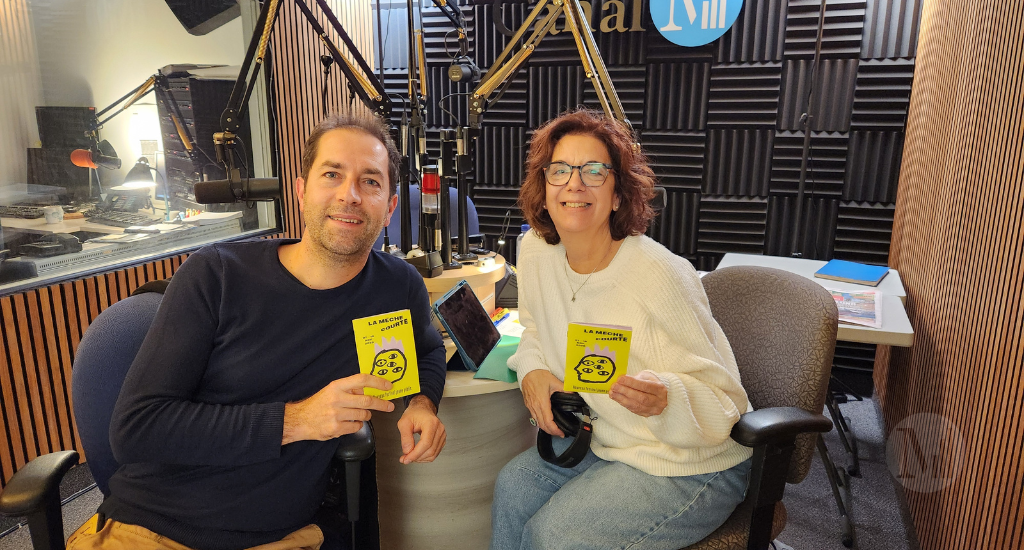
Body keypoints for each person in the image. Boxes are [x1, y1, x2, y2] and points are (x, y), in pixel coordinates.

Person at [66, 112, 449, 550]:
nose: (350, 195)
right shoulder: (217, 274)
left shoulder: (396, 286)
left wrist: (423, 403)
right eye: (332, 174)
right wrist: (297, 420)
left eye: (370, 181)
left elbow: (427, 350)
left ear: (389, 208)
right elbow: (136, 429)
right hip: (153, 527)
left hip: (280, 536)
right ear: (302, 191)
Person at [490, 109, 752, 550]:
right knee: (512, 488)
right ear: (544, 188)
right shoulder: (534, 251)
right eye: (560, 170)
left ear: (617, 195)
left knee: (552, 537)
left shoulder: (659, 274)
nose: (575, 184)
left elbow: (728, 400)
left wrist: (667, 398)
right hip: (609, 439)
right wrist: (532, 370)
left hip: (691, 463)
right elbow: (534, 327)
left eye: (594, 171)